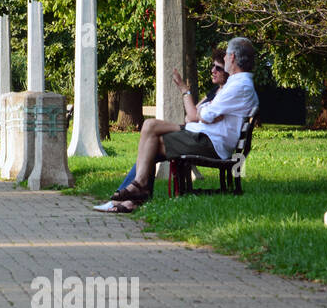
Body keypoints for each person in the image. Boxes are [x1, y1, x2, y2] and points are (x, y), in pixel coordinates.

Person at [111, 37, 259, 204]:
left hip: (211, 142)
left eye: (225, 56)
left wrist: (204, 110)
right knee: (150, 126)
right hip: (205, 136)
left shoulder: (239, 86)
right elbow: (202, 114)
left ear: (232, 57)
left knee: (152, 141)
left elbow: (204, 115)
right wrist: (206, 111)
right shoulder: (236, 84)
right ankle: (138, 189)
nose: (223, 59)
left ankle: (138, 191)